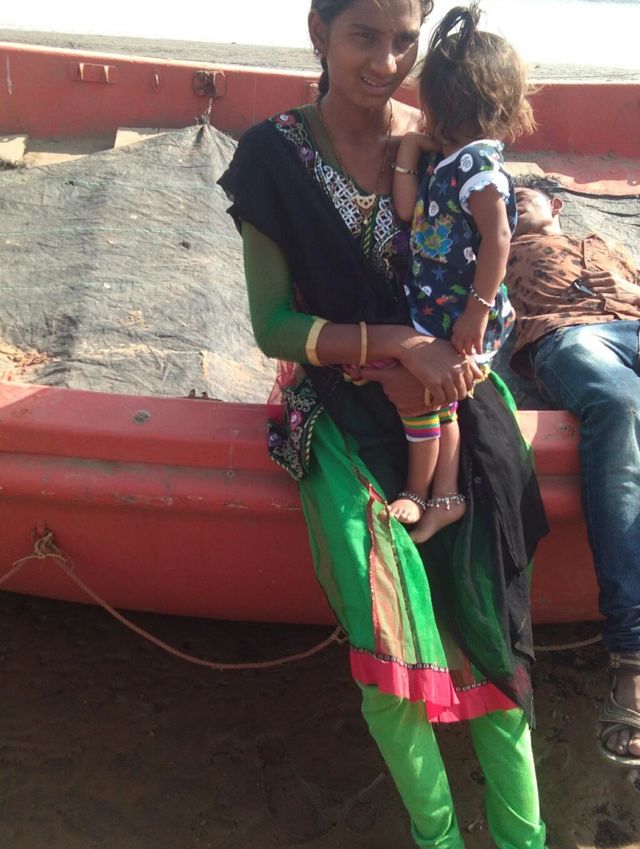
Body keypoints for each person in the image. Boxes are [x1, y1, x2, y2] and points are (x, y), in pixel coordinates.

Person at [219, 2, 549, 846]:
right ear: (318, 33)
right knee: (386, 624)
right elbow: (273, 327)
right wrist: (399, 342)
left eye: (405, 40)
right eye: (364, 35)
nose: (387, 61)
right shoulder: (273, 156)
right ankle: (437, 838)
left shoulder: (439, 138)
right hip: (343, 404)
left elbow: (485, 260)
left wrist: (461, 352)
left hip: (454, 403)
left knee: (488, 621)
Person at [386, 3, 534, 543]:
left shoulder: (477, 165)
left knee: (431, 404)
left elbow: (498, 238)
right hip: (438, 309)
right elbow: (407, 210)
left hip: (462, 315)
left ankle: (421, 491)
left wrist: (477, 310)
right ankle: (443, 497)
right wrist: (410, 148)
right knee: (440, 406)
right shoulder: (451, 159)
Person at [506, 175, 640, 768]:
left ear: (556, 205)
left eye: (521, 199)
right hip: (571, 335)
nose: (509, 207)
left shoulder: (609, 248)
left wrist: (631, 292)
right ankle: (633, 656)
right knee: (618, 405)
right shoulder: (495, 250)